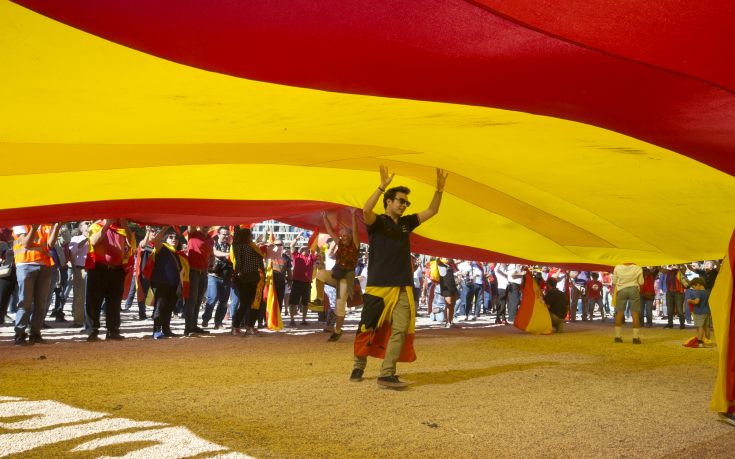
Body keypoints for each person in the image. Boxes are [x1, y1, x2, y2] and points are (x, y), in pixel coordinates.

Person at [351, 165, 447, 389]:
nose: (404, 205)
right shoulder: (378, 223)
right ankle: (358, 364)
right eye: (401, 201)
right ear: (389, 202)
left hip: (403, 286)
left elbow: (432, 211)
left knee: (401, 329)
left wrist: (439, 190)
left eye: (406, 202)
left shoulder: (406, 223)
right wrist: (381, 186)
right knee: (367, 327)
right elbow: (366, 210)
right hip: (379, 286)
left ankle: (387, 373)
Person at [85, 219, 135, 341]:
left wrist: (125, 224)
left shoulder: (123, 228)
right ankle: (92, 331)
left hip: (117, 269)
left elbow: (131, 244)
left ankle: (113, 331)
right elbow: (93, 242)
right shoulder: (96, 226)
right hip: (98, 268)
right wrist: (107, 224)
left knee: (115, 302)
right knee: (93, 301)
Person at [13, 223, 61, 345]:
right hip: (26, 265)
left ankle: (35, 333)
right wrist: (34, 227)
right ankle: (20, 334)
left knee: (41, 303)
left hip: (45, 265)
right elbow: (26, 244)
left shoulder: (47, 224)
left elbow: (50, 244)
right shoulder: (21, 222)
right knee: (25, 302)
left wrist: (57, 227)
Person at [315, 209, 360, 341]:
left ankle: (337, 330)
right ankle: (319, 298)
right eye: (342, 236)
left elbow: (356, 231)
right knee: (320, 274)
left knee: (340, 305)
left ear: (350, 237)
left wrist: (352, 215)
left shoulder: (355, 245)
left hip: (346, 279)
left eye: (345, 236)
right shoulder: (340, 244)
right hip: (336, 275)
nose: (343, 238)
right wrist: (324, 217)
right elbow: (330, 232)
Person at [230, 226, 266, 335]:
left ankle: (250, 327)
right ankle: (235, 327)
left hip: (255, 278)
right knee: (245, 303)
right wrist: (236, 223)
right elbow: (235, 236)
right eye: (250, 234)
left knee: (256, 303)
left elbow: (260, 262)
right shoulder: (239, 246)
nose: (252, 236)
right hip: (243, 278)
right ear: (245, 236)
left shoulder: (254, 246)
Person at [201, 227, 233, 329]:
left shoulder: (230, 246)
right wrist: (229, 254)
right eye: (224, 234)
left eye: (228, 235)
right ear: (218, 234)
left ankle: (218, 322)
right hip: (213, 276)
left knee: (223, 302)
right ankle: (206, 318)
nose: (226, 237)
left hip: (226, 277)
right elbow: (215, 253)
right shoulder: (213, 243)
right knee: (212, 298)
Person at [184, 225, 212, 337]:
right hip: (193, 272)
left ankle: (194, 326)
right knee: (192, 301)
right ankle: (188, 328)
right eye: (203, 224)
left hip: (204, 273)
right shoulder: (193, 233)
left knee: (198, 301)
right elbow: (191, 223)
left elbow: (211, 253)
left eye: (207, 225)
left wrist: (212, 260)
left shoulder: (210, 239)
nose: (205, 226)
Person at [288, 234, 317, 326]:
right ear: (300, 250)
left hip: (307, 283)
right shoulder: (296, 256)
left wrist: (312, 242)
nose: (305, 250)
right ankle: (292, 319)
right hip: (297, 282)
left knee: (306, 303)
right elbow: (291, 245)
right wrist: (297, 237)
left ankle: (304, 319)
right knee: (293, 302)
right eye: (303, 249)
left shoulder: (311, 258)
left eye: (307, 249)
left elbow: (318, 251)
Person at [612, 262, 644, 344]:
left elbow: (614, 281)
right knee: (635, 313)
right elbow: (641, 282)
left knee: (619, 313)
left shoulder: (617, 267)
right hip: (634, 289)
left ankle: (617, 337)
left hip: (621, 289)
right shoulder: (638, 267)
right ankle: (635, 338)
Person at [68, 221, 91, 328]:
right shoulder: (75, 239)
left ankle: (90, 321)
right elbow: (73, 252)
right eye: (86, 223)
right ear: (81, 227)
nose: (89, 224)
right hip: (80, 269)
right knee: (79, 297)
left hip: (92, 269)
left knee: (92, 297)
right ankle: (78, 321)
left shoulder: (96, 236)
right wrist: (86, 238)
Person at [685, 277, 712, 347]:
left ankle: (700, 342)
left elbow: (696, 302)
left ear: (698, 284)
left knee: (700, 327)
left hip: (699, 312)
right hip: (707, 312)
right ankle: (708, 341)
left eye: (694, 287)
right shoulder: (707, 292)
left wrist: (690, 301)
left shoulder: (698, 292)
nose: (694, 289)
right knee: (707, 327)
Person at [664, 265, 687, 329]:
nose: (673, 266)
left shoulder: (680, 271)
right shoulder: (668, 271)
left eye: (674, 264)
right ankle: (670, 323)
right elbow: (660, 269)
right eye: (671, 265)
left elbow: (684, 267)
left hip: (678, 293)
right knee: (669, 310)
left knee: (680, 310)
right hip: (669, 292)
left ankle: (682, 324)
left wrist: (679, 263)